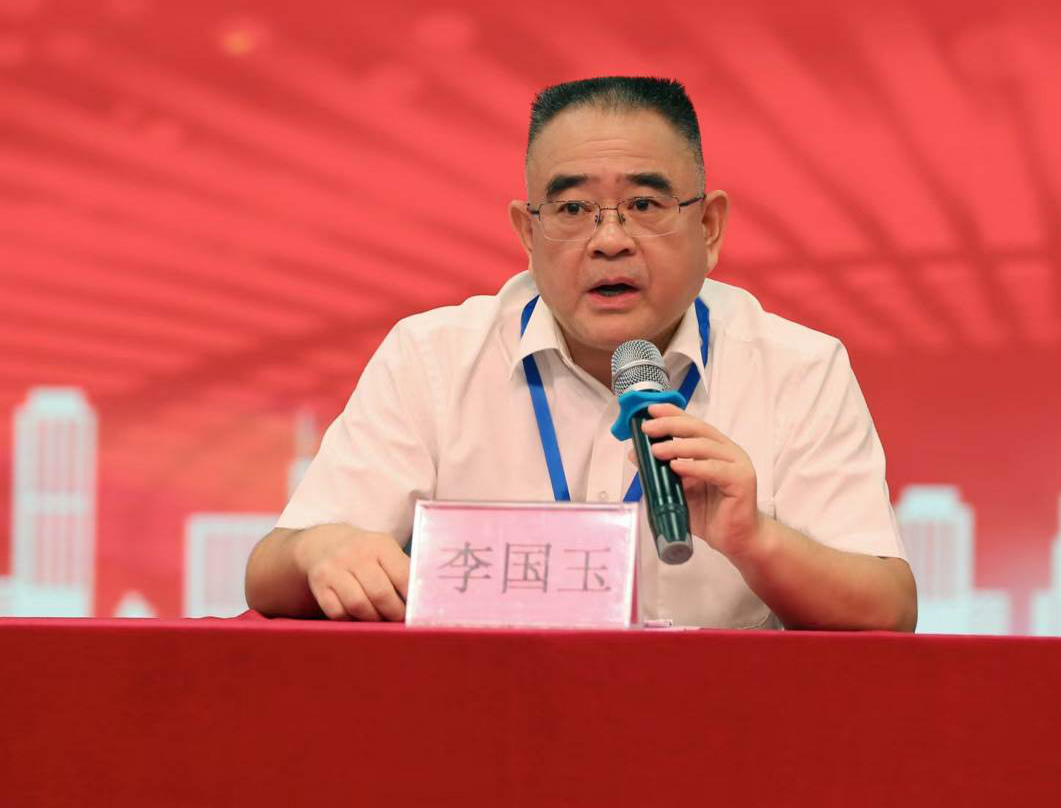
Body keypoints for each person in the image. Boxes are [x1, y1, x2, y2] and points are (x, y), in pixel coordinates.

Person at [245, 76, 917, 631]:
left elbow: (889, 609)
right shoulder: (433, 358)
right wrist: (321, 549)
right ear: (527, 233)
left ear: (709, 227)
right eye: (572, 211)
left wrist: (756, 541)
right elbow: (270, 570)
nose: (609, 241)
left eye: (644, 204)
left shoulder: (798, 368)